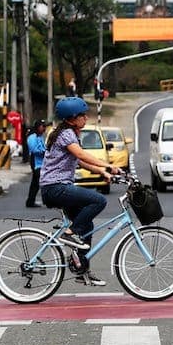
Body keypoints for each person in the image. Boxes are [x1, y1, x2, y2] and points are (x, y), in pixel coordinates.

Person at [39, 97, 122, 287]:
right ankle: (69, 233)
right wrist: (109, 165)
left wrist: (102, 171)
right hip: (55, 188)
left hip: (57, 187)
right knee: (98, 201)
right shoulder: (66, 134)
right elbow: (82, 155)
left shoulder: (69, 134)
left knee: (87, 226)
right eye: (81, 115)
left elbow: (79, 162)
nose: (85, 118)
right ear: (70, 119)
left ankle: (81, 270)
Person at [25, 120, 49, 208]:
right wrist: (44, 152)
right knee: (43, 182)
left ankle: (30, 202)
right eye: (43, 126)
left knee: (35, 183)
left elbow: (44, 147)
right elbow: (34, 150)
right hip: (36, 163)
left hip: (42, 163)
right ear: (38, 127)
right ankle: (46, 200)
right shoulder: (32, 137)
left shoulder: (40, 137)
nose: (44, 128)